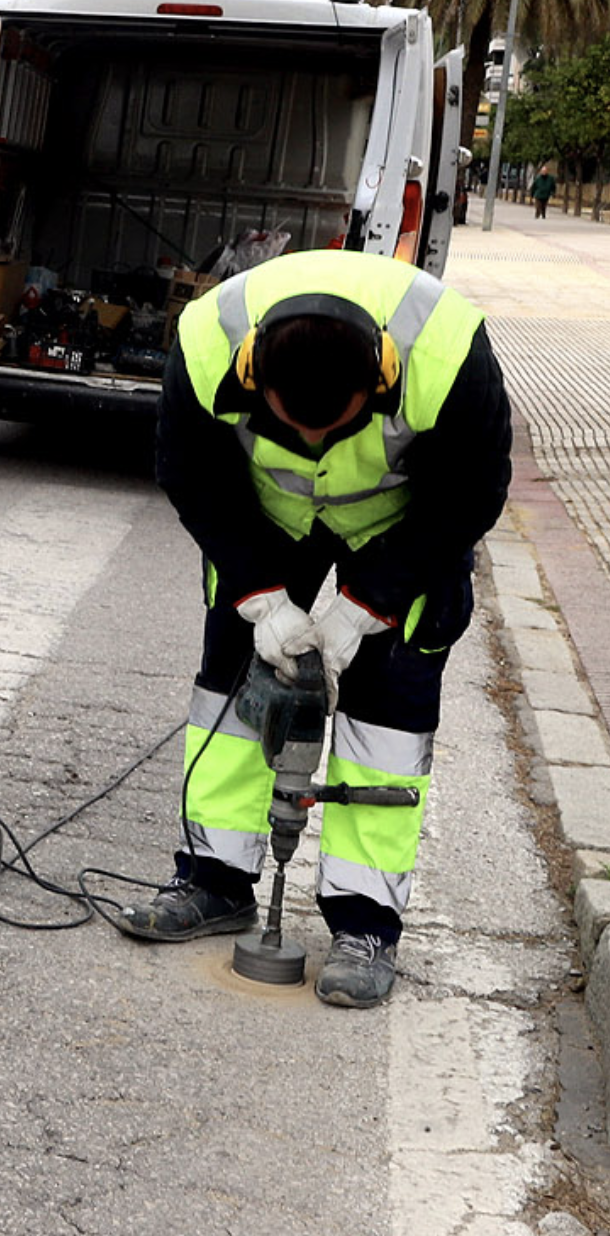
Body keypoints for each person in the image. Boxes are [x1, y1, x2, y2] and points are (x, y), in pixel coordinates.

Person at [120, 248, 512, 1009]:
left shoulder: (448, 353)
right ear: (255, 380)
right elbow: (189, 472)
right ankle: (213, 879)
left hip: (399, 524)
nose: (312, 447)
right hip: (268, 517)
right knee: (236, 686)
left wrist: (368, 602)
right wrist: (264, 598)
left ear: (380, 381)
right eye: (292, 426)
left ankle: (366, 925)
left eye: (331, 428)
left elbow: (472, 490)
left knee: (390, 709)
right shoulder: (205, 345)